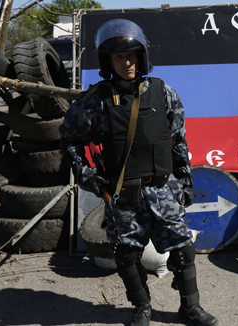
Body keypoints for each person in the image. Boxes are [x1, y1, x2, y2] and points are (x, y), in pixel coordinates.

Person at [59, 19, 219, 326]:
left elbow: (178, 141)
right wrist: (88, 176)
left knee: (183, 248)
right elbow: (69, 139)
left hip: (164, 189)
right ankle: (142, 307)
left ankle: (190, 308)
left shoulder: (163, 93)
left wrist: (185, 181)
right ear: (108, 61)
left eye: (131, 54)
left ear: (142, 56)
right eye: (119, 57)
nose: (127, 61)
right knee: (127, 253)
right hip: (123, 195)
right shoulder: (95, 103)